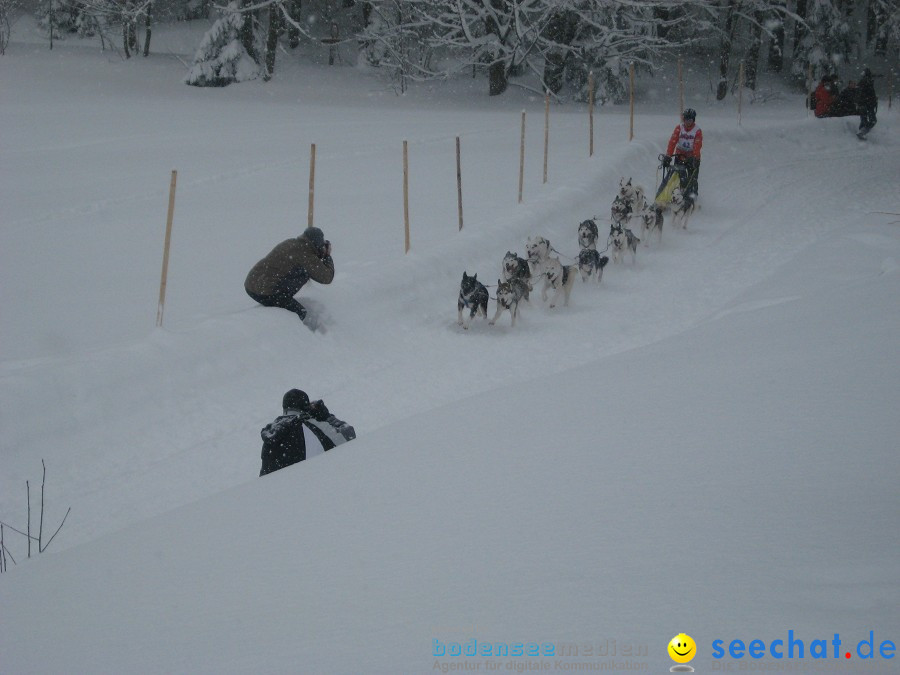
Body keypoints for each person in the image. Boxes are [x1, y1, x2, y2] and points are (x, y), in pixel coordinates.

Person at [245, 227, 334, 323]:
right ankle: (290, 332)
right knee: (300, 312)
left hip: (252, 284)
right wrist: (327, 256)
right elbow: (326, 277)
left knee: (300, 271)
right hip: (266, 292)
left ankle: (280, 298)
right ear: (317, 243)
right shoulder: (306, 255)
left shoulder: (291, 242)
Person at [259, 389, 356, 476]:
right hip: (302, 487)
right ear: (305, 406)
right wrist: (326, 417)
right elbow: (348, 437)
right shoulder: (307, 424)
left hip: (272, 491)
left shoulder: (272, 431)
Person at [662, 108, 703, 204]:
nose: (687, 122)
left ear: (693, 120)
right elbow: (672, 142)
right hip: (680, 155)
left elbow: (697, 144)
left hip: (692, 156)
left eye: (690, 120)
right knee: (677, 176)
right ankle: (676, 195)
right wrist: (668, 156)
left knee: (692, 178)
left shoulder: (697, 131)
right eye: (686, 120)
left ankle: (692, 196)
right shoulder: (679, 128)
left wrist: (696, 158)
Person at [857, 68, 877, 137]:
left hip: (863, 104)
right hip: (867, 104)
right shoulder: (867, 81)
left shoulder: (862, 82)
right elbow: (870, 94)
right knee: (872, 120)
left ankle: (861, 132)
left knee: (864, 120)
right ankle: (861, 132)